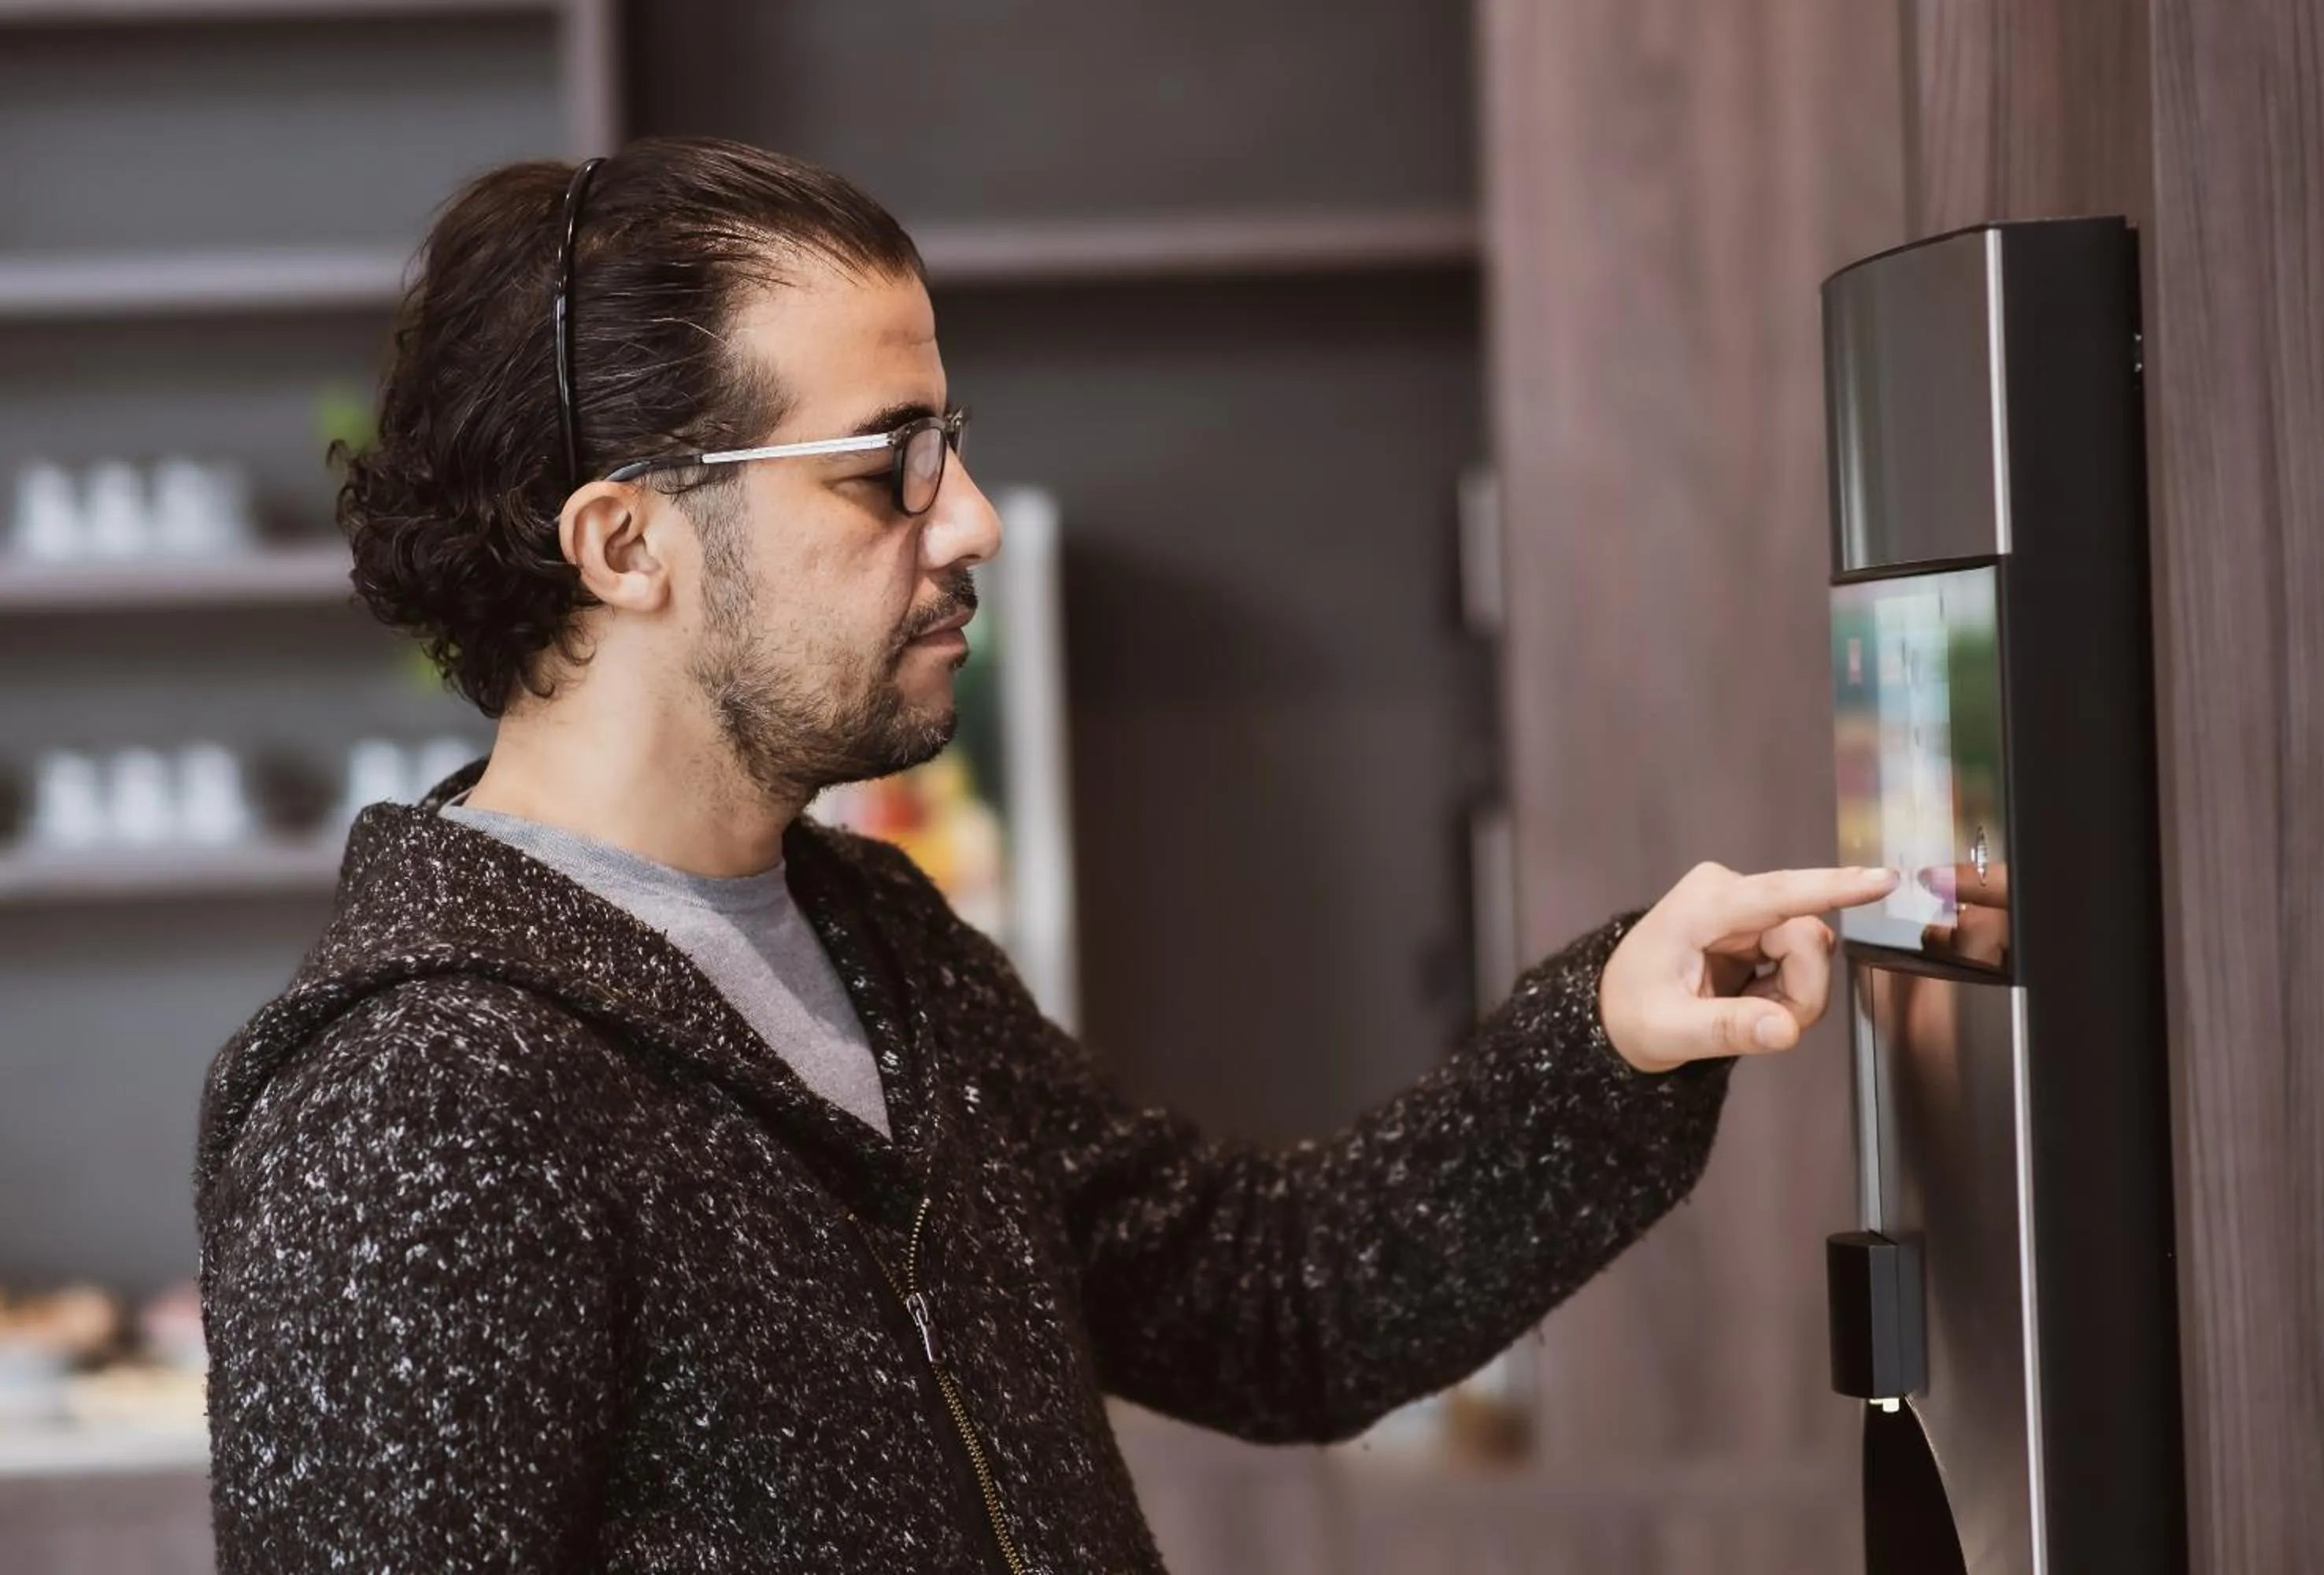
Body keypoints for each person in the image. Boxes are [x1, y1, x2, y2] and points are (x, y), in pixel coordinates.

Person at [194, 138, 1896, 1573]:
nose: (974, 516)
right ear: (628, 541)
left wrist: (1605, 1035)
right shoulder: (421, 1099)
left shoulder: (871, 936)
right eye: (890, 464)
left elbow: (1274, 1303)